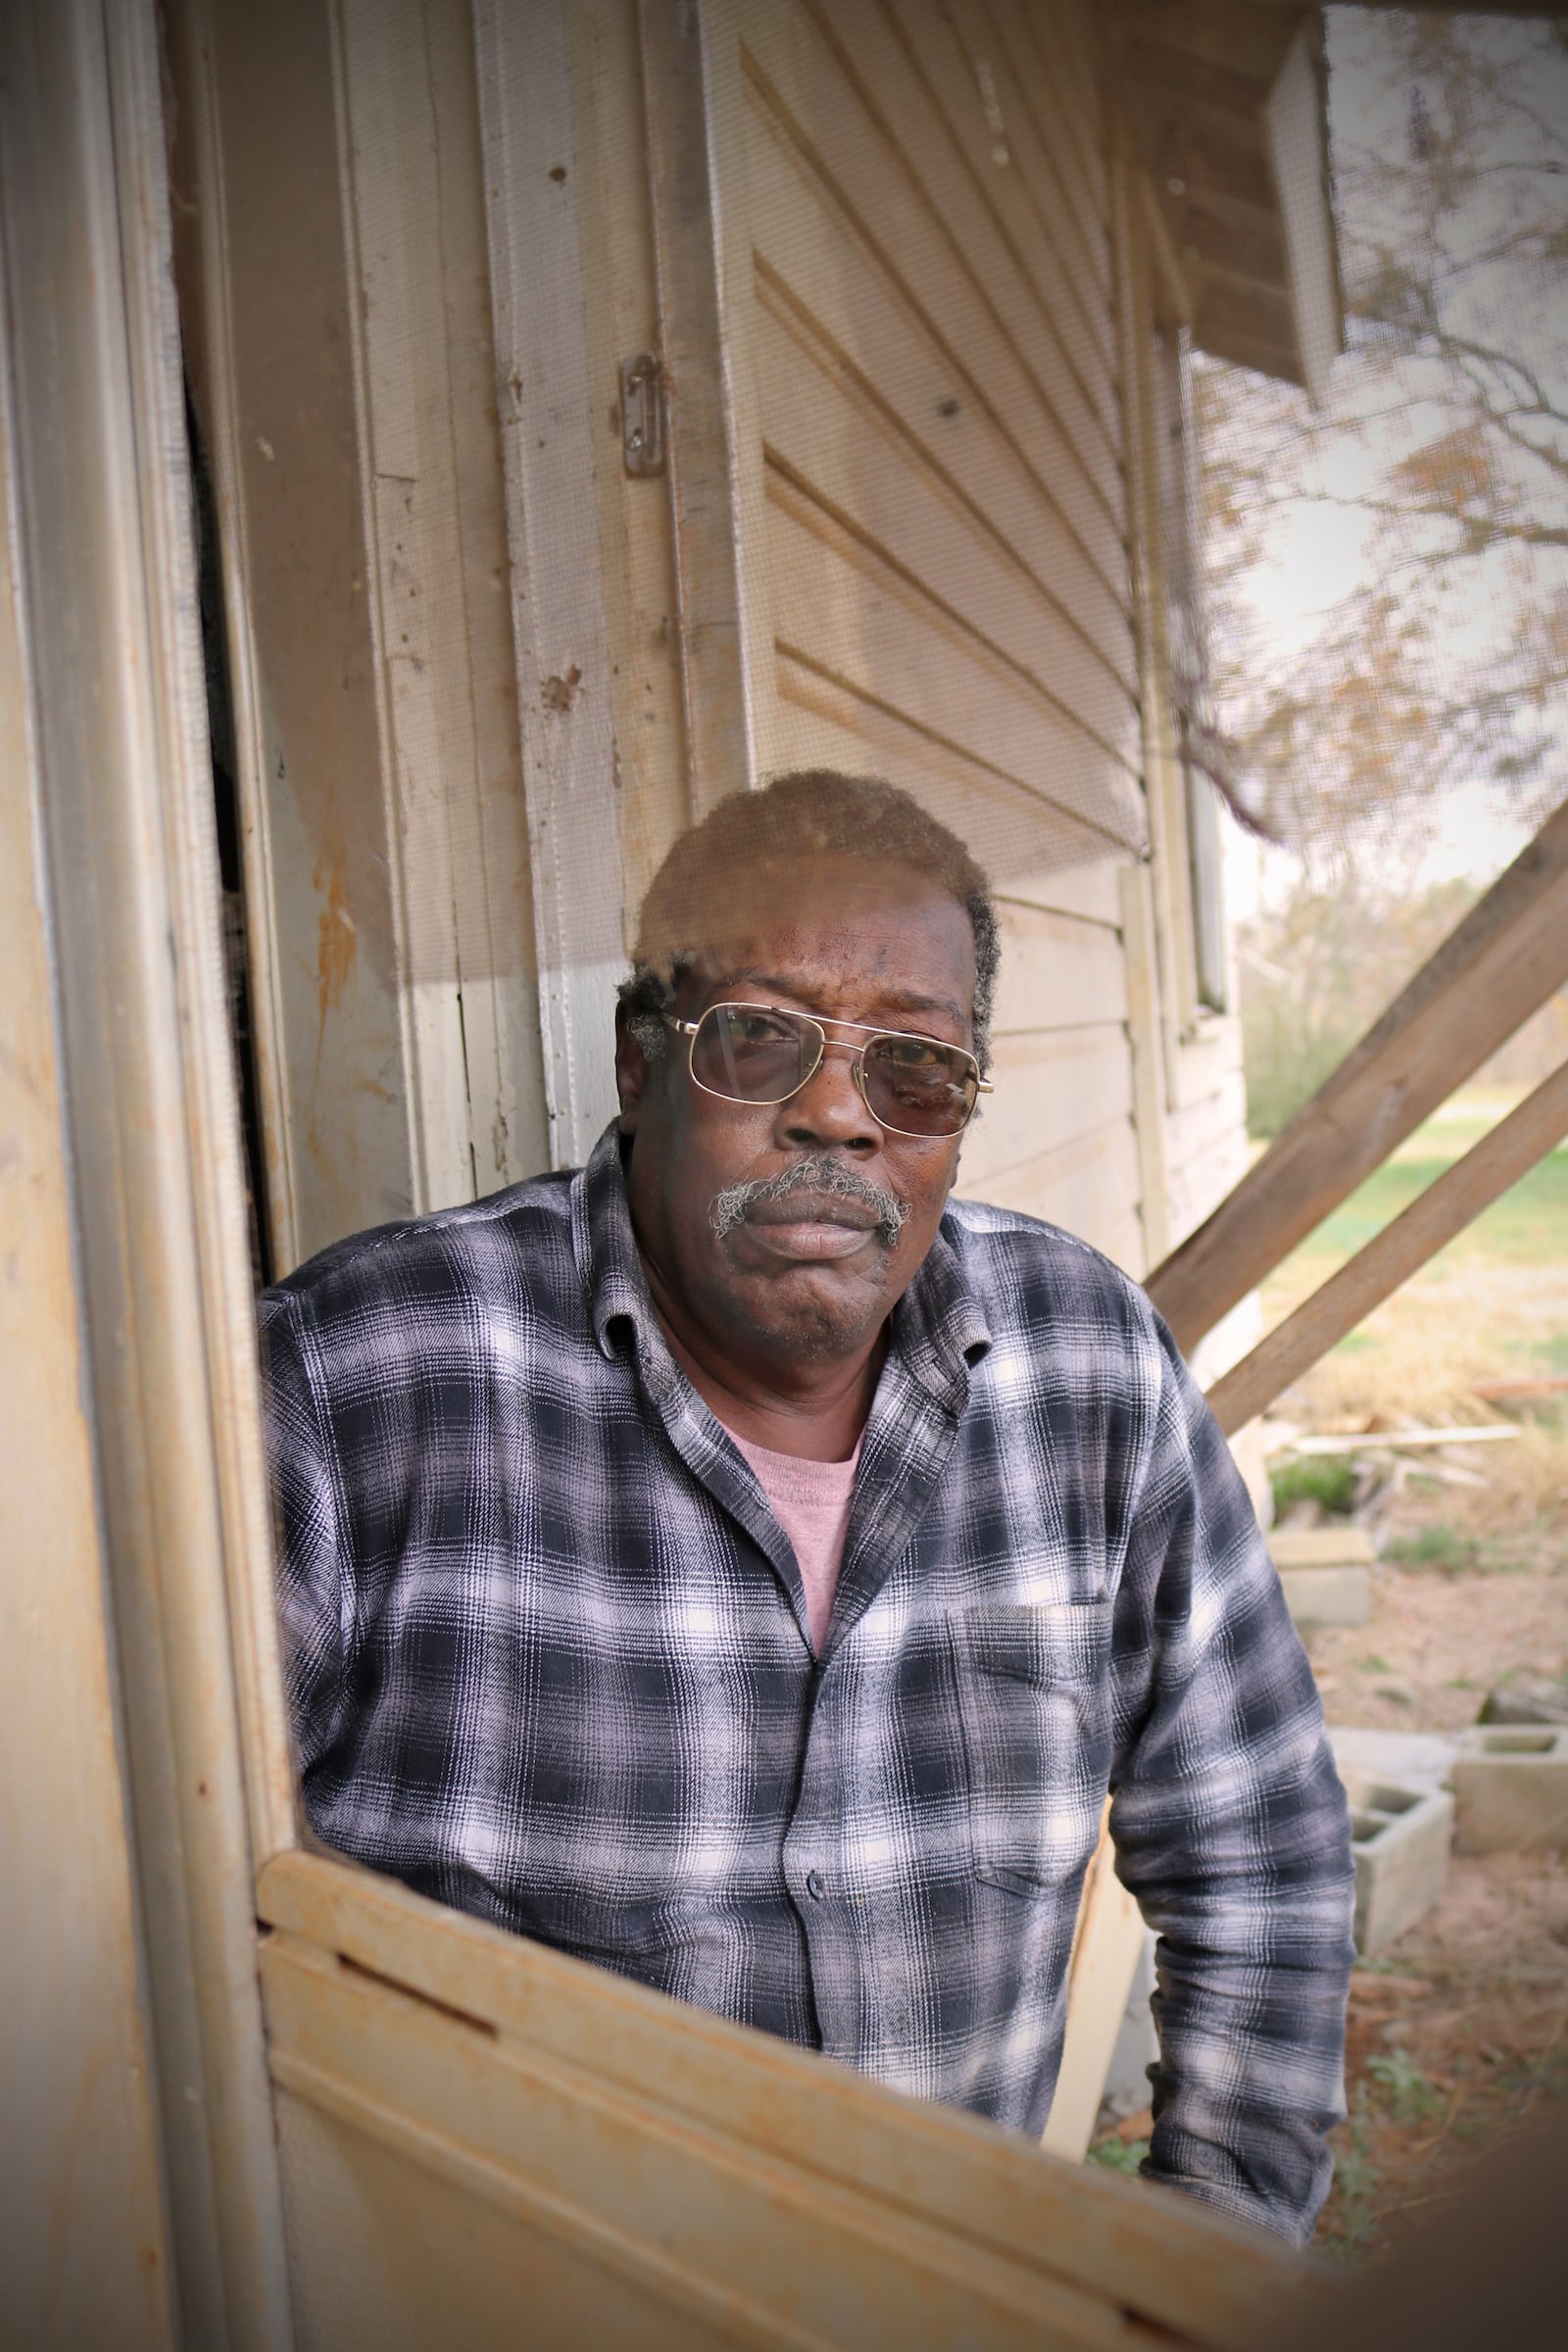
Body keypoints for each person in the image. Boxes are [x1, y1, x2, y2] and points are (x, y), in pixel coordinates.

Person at [262, 770, 1353, 2246]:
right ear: (641, 1063)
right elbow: (155, 1928)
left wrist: (1204, 2272)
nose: (839, 1114)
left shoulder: (1091, 1366)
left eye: (916, 1070)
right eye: (763, 1040)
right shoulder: (355, 1379)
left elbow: (1261, 1852)